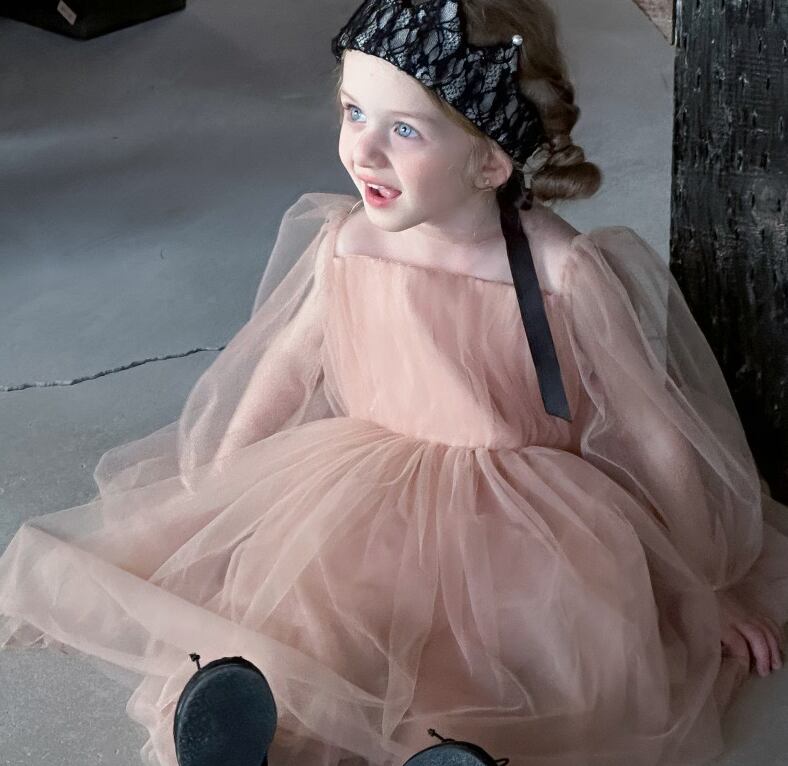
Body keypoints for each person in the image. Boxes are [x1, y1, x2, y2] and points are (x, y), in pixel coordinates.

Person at [1, 0, 787, 764]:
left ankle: (443, 754)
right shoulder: (349, 243)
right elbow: (286, 369)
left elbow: (650, 428)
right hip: (360, 496)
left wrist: (704, 582)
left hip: (524, 524)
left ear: (490, 158)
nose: (364, 151)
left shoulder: (562, 271)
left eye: (404, 129)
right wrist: (224, 489)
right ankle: (248, 732)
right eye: (353, 112)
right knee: (318, 620)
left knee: (511, 660)